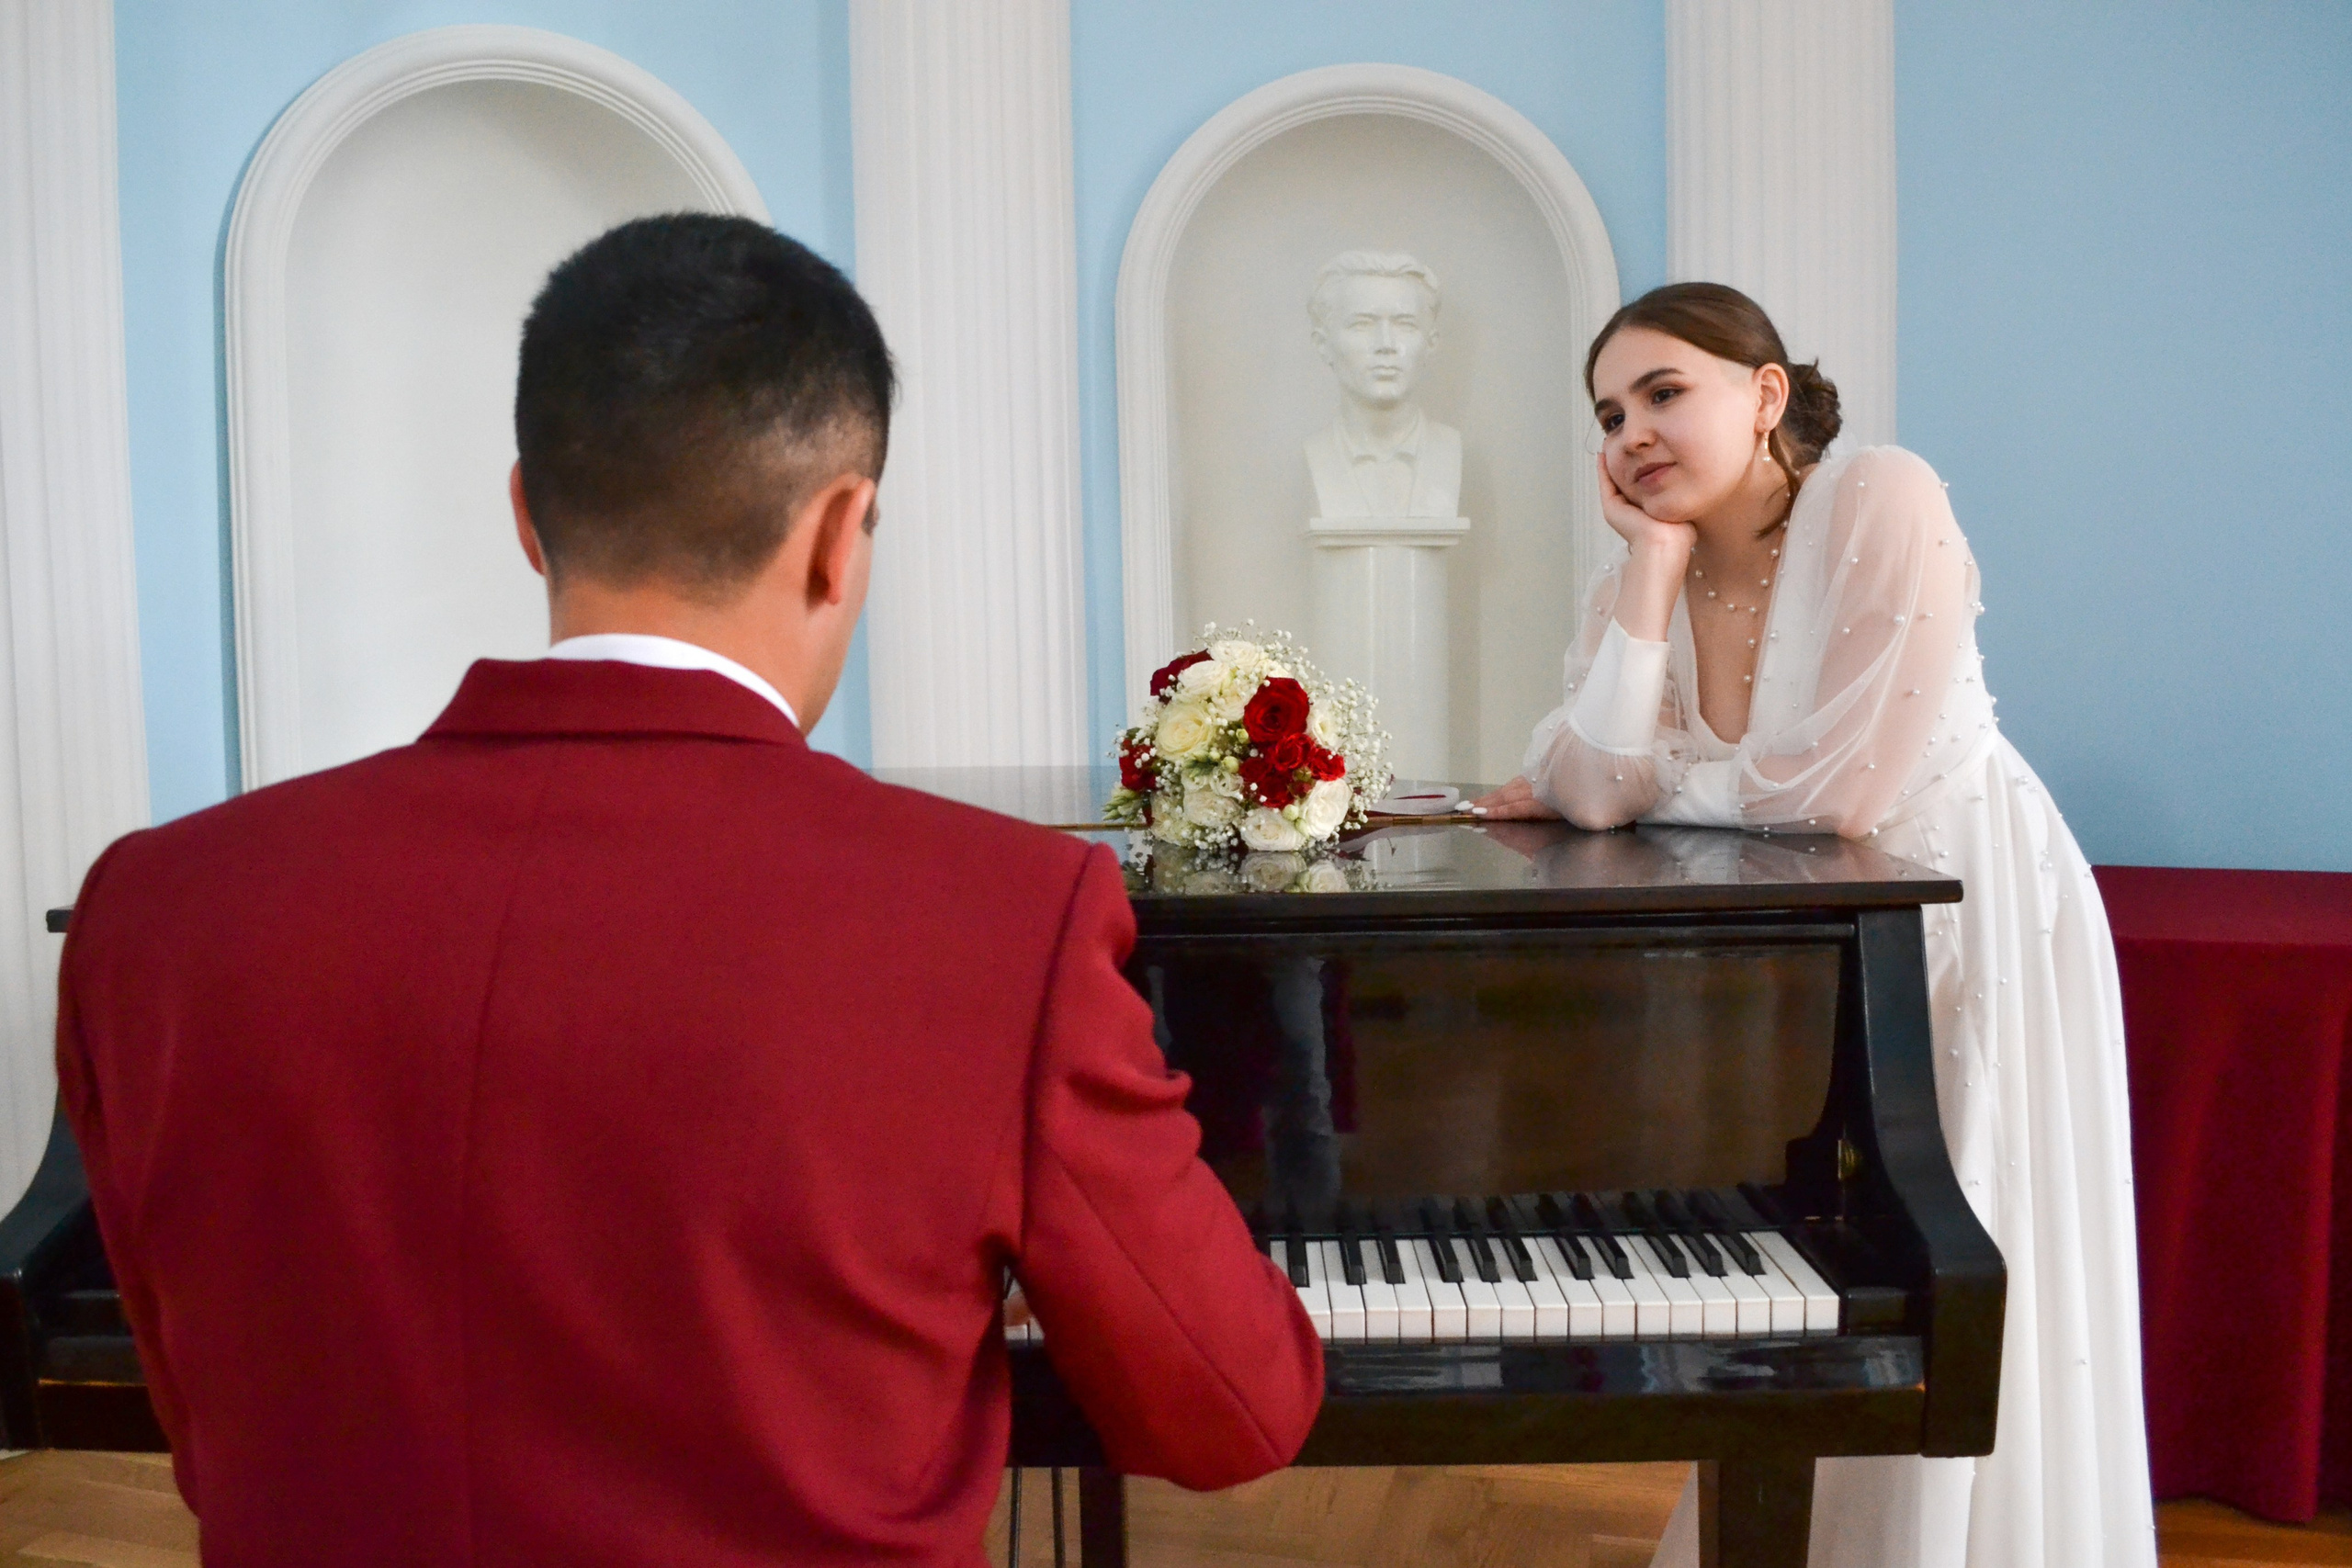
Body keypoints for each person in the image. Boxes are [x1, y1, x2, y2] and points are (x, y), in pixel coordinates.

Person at [54, 214, 1322, 1566]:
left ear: (530, 518)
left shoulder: (157, 909)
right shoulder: (999, 920)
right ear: (841, 535)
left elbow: (199, 1409)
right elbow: (1230, 1414)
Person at [1474, 283, 2153, 1568]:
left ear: (1767, 393)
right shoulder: (1635, 575)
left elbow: (1836, 795)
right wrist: (1653, 567)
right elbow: (1602, 791)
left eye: (1665, 392)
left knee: (1960, 1243)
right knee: (1822, 1273)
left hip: (1972, 916)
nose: (1630, 433)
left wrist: (1637, 784)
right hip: (1809, 952)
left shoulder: (1884, 498)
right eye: (1609, 414)